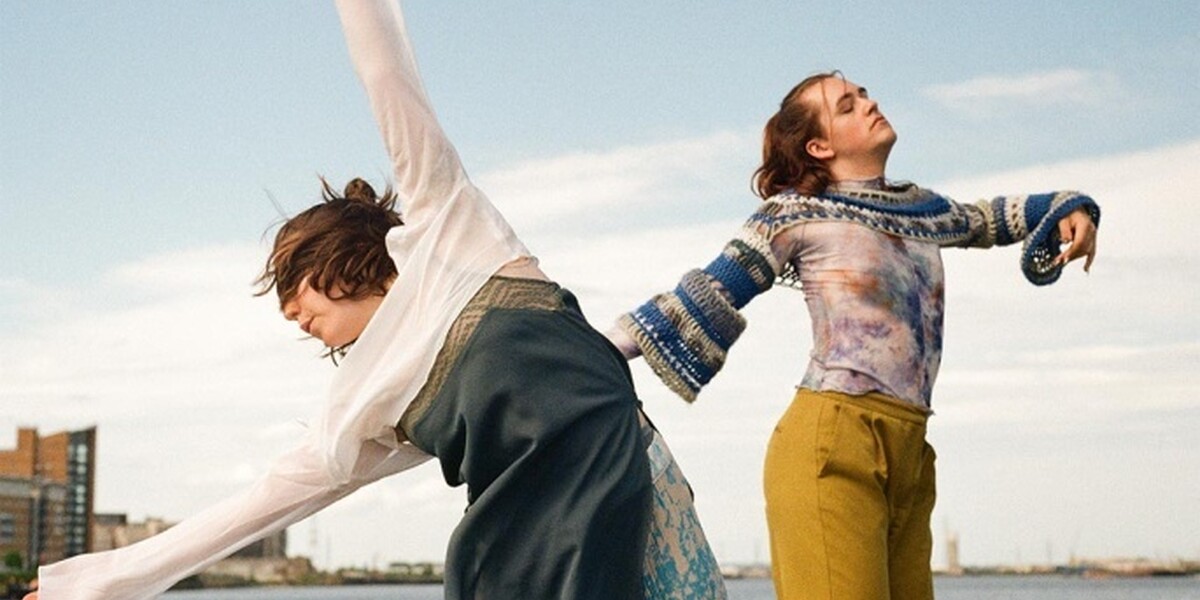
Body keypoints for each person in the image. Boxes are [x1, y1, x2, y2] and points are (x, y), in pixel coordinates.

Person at [27, 1, 725, 598]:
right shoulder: (361, 406)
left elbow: (386, 71)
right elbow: (251, 510)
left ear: (338, 255)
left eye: (292, 288)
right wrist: (94, 584)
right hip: (521, 547)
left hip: (630, 489)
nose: (291, 316)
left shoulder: (451, 230)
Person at [607, 72, 1099, 600]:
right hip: (832, 444)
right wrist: (593, 350)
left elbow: (990, 218)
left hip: (910, 450)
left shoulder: (923, 211)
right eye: (848, 105)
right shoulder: (795, 214)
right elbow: (708, 292)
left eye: (863, 94)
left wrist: (1070, 205)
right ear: (819, 145)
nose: (869, 103)